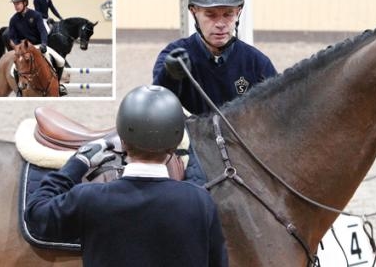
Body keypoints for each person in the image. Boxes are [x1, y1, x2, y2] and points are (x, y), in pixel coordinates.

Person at [25, 85, 228, 266]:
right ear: (175, 145)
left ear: (122, 139)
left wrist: (79, 162)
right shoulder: (200, 202)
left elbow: (35, 214)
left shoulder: (89, 198)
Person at [152, 0, 278, 115]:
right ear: (194, 13)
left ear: (238, 13)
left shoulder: (257, 64)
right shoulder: (173, 56)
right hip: (191, 136)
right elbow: (156, 107)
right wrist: (170, 75)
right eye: (210, 14)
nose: (220, 23)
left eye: (228, 14)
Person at [8, 0, 67, 96]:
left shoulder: (35, 15)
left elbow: (43, 31)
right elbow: (12, 37)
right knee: (13, 70)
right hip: (24, 49)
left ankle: (57, 85)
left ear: (25, 3)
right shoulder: (13, 20)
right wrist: (18, 47)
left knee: (61, 61)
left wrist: (44, 44)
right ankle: (20, 91)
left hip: (38, 46)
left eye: (18, 4)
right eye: (14, 4)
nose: (16, 6)